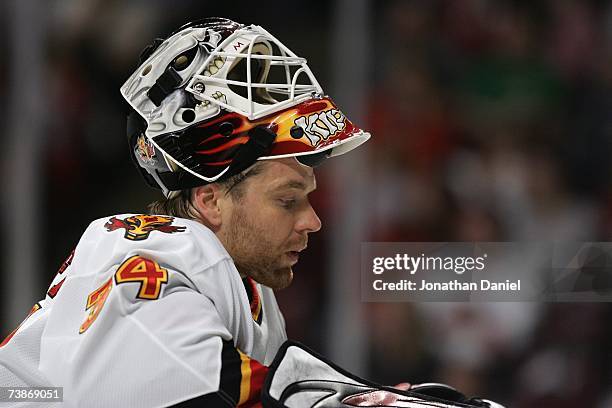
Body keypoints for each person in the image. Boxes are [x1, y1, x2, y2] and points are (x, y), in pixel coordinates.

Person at [0, 18, 503, 408]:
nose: (313, 220)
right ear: (211, 199)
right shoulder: (148, 268)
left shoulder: (238, 284)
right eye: (287, 200)